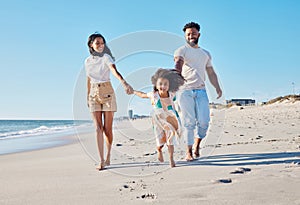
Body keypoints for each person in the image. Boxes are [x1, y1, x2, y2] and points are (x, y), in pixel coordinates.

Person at [174, 22, 222, 161]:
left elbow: (211, 72)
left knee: (204, 122)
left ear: (198, 34)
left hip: (201, 90)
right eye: (188, 34)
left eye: (193, 33)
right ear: (185, 36)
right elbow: (178, 62)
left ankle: (197, 144)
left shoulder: (206, 53)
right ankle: (188, 152)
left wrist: (217, 87)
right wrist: (176, 72)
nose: (191, 36)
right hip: (185, 90)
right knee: (189, 122)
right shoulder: (181, 50)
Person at [85, 33, 133, 170]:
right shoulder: (87, 61)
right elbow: (88, 79)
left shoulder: (106, 57)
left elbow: (114, 71)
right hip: (93, 94)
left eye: (102, 43)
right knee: (97, 128)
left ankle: (108, 155)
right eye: (97, 43)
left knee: (107, 129)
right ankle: (101, 160)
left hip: (107, 93)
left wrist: (124, 83)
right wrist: (87, 96)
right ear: (91, 45)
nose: (100, 45)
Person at [133, 68, 184, 167]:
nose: (163, 86)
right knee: (160, 141)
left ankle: (171, 159)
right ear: (156, 85)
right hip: (158, 120)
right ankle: (159, 150)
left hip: (170, 118)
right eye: (160, 84)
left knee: (171, 139)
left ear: (169, 86)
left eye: (165, 84)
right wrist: (134, 92)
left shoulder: (172, 94)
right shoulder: (154, 95)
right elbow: (142, 95)